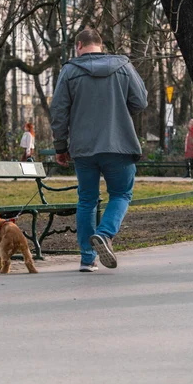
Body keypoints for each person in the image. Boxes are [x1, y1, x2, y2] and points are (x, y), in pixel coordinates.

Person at [50, 28, 148, 272]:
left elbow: (59, 111)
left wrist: (61, 147)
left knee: (86, 200)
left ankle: (87, 258)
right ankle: (105, 233)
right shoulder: (123, 66)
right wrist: (118, 109)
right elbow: (141, 102)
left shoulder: (70, 70)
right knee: (121, 194)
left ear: (79, 46)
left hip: (84, 148)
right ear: (100, 45)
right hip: (119, 144)